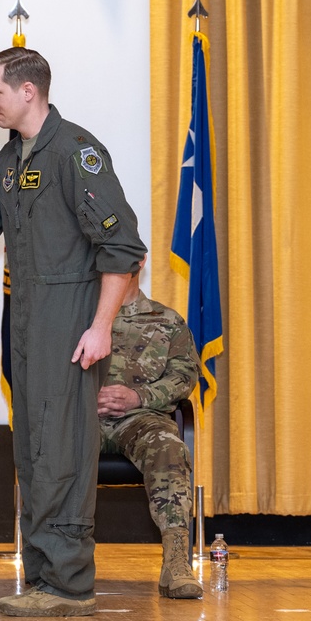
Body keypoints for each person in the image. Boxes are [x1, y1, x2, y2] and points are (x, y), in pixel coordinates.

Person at [0, 47, 147, 617]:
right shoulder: (7, 164)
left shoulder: (76, 153)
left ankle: (69, 585)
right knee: (35, 448)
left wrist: (101, 326)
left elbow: (122, 250)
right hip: (24, 321)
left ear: (28, 92)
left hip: (70, 321)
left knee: (62, 448)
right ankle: (44, 578)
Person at [97, 256, 202, 599]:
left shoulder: (167, 320)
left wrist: (137, 396)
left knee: (168, 444)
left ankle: (176, 562)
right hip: (84, 418)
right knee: (51, 445)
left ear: (140, 260)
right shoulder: (78, 314)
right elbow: (46, 373)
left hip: (141, 419)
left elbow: (184, 377)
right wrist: (83, 397)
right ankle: (56, 563)